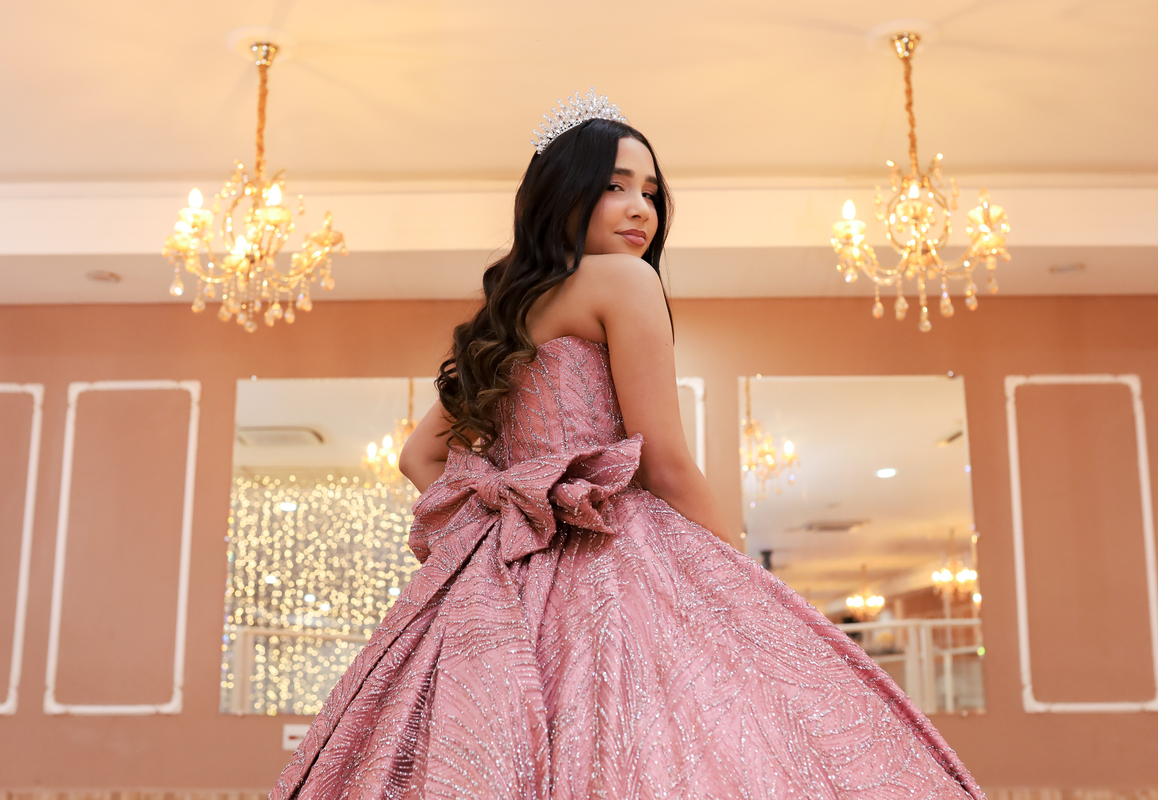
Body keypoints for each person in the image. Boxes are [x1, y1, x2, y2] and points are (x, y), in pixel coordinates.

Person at [270, 90, 985, 799]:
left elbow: (418, 457)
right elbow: (665, 463)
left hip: (499, 585)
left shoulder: (507, 311)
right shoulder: (625, 280)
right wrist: (739, 580)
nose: (640, 208)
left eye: (650, 192)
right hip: (612, 555)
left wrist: (502, 520)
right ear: (565, 194)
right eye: (614, 187)